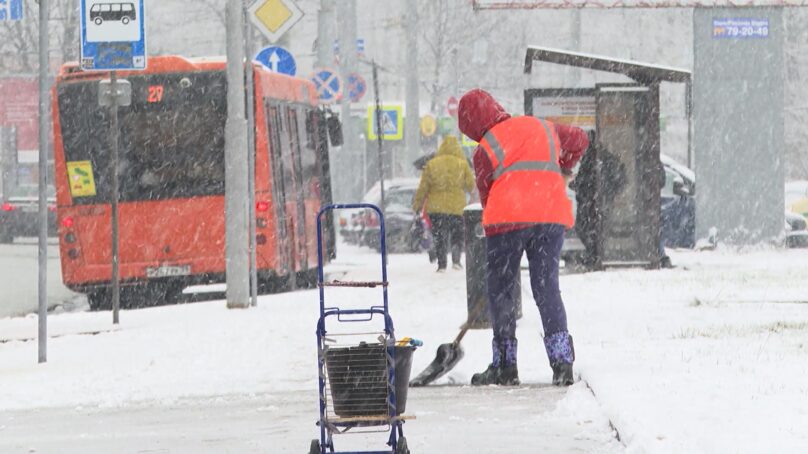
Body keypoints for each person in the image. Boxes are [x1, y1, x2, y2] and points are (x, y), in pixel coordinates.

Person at [458, 89, 588, 386]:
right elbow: (580, 139)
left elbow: (487, 195)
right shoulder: (541, 126)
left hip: (508, 220)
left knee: (501, 290)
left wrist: (496, 245)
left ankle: (505, 365)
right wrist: (565, 166)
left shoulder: (484, 149)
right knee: (546, 288)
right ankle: (562, 363)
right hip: (550, 215)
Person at [412, 135, 476, 272]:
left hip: (436, 208)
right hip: (457, 208)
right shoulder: (462, 164)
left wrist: (417, 205)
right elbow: (472, 186)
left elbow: (423, 188)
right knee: (457, 234)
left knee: (439, 235)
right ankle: (456, 259)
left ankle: (441, 264)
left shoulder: (432, 164)